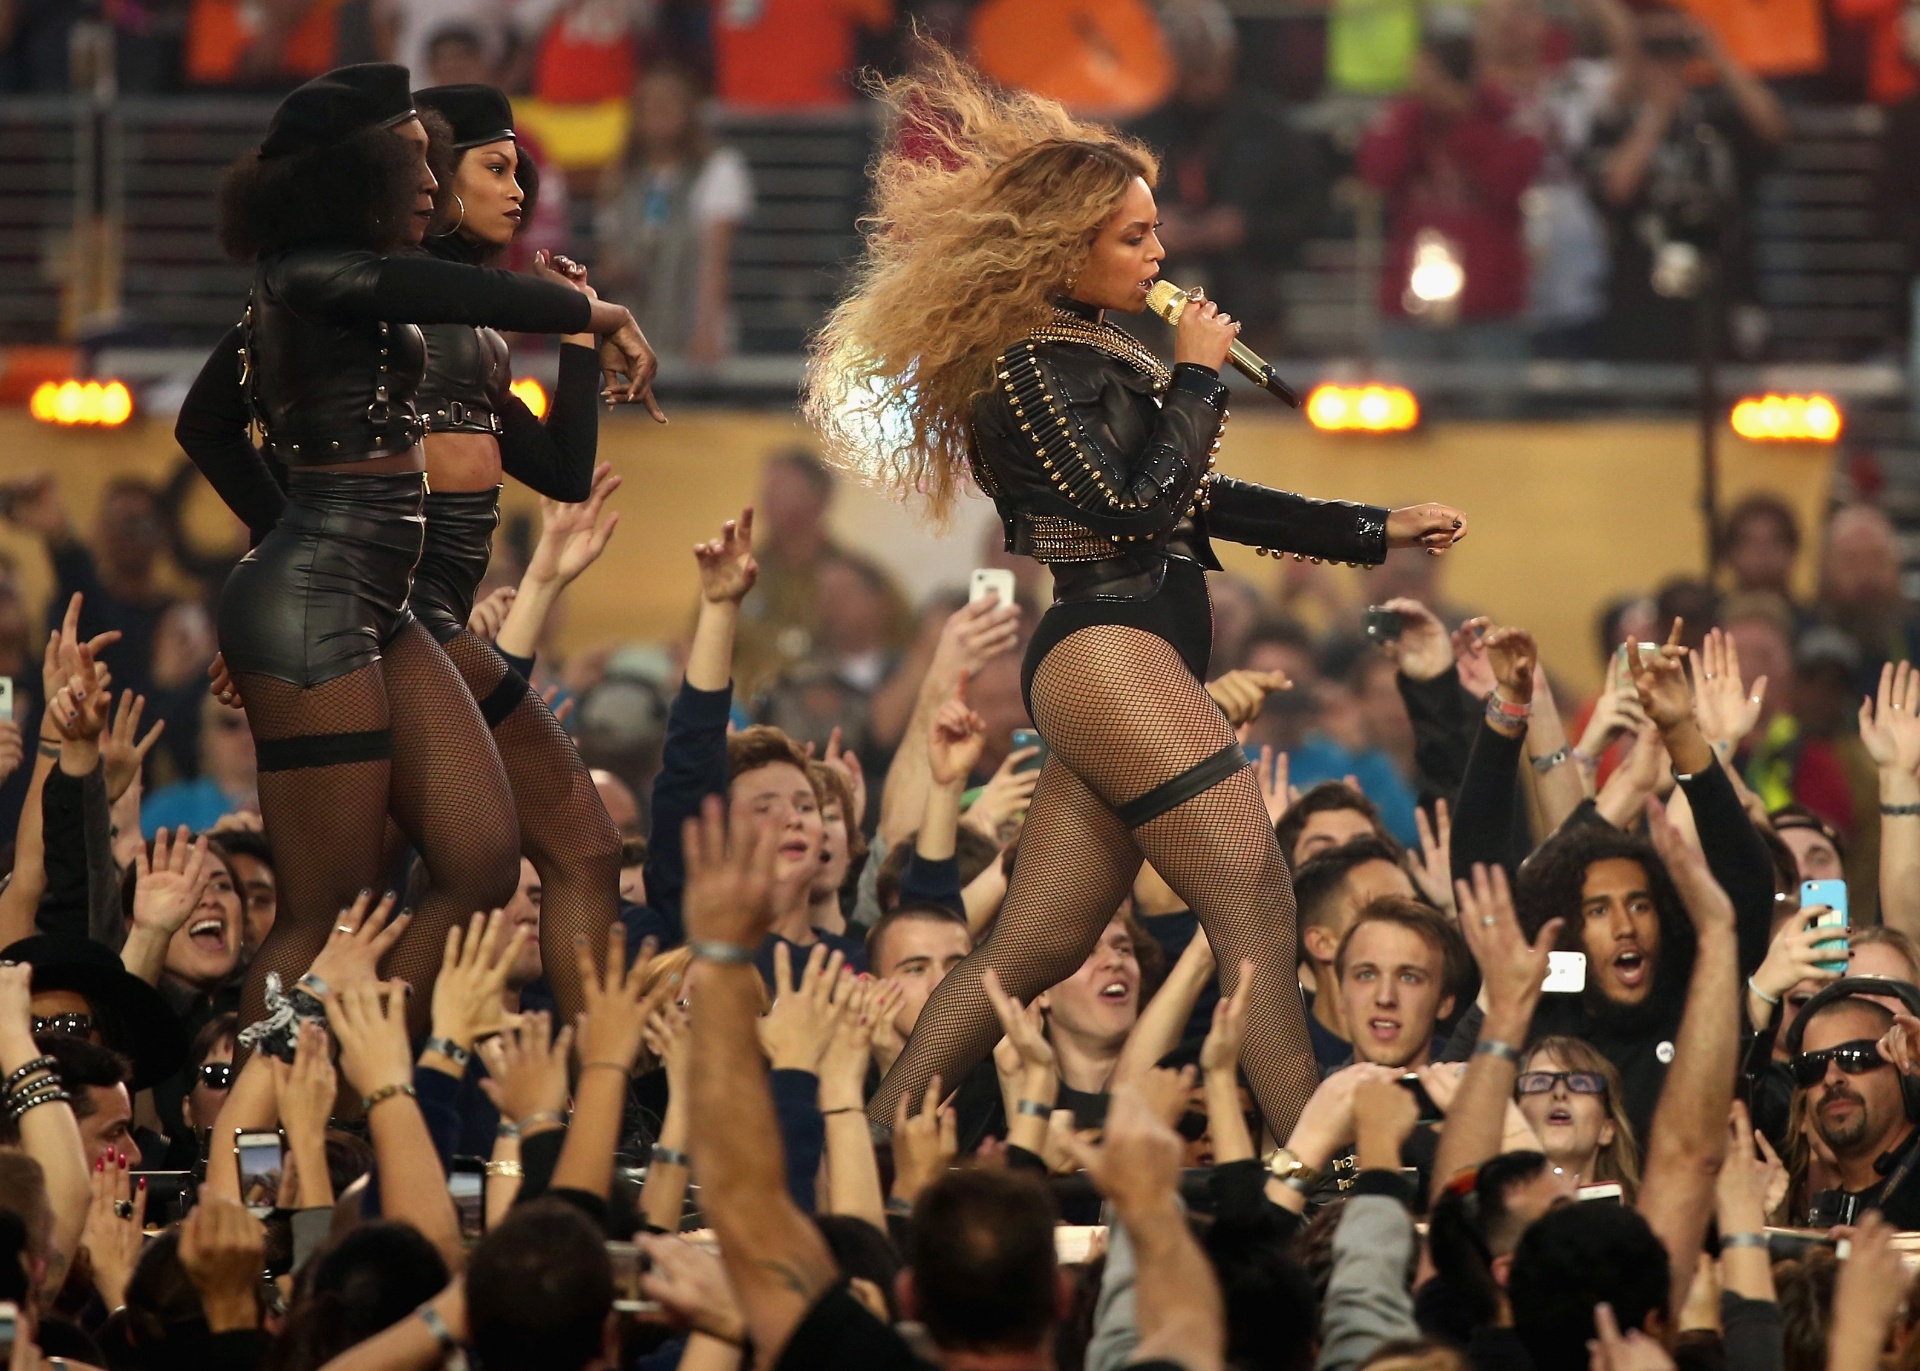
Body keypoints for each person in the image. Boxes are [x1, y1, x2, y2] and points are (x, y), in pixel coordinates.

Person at [805, 48, 1466, 1138]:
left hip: (1133, 653)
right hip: (1105, 644)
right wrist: (1200, 373)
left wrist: (1371, 526)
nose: (1162, 253)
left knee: (1034, 947)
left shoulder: (1097, 345)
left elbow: (1203, 495)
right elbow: (1131, 512)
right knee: (1255, 896)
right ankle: (1324, 1171)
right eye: (1136, 236)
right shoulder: (1025, 366)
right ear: (1067, 246)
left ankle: (869, 1145)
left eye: (1154, 230)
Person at [172, 63, 654, 1041]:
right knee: (332, 913)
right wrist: (287, 554)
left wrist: (575, 323)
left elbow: (555, 464)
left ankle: (367, 1080)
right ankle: (243, 1123)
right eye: (420, 157)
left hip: (377, 606)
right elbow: (208, 422)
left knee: (479, 865)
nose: (432, 174)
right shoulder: (313, 274)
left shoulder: (407, 298)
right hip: (337, 607)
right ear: (360, 173)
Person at [402, 81, 630, 1026]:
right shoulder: (385, 302)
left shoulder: (482, 340)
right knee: (564, 850)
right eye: (495, 168)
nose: (519, 191)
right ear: (429, 178)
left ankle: (594, 1096)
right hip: (397, 622)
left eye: (521, 172)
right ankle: (327, 1095)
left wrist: (579, 329)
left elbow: (564, 474)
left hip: (437, 631)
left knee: (563, 855)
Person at [1585, 4, 1785, 362]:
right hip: (1644, 300)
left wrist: (1716, 54)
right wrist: (1657, 109)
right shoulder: (1615, 121)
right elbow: (1616, 188)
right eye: (1653, 45)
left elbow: (1772, 129)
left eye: (1673, 44)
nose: (1666, 56)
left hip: (1722, 291)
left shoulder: (1715, 116)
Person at [1123, 0, 1323, 347]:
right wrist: (1148, 229)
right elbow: (1102, 220)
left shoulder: (1271, 133)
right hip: (1146, 313)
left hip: (1249, 313)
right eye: (1189, 66)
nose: (1200, 78)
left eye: (1207, 64)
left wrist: (1246, 228)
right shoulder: (1138, 134)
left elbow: (1310, 216)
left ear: (1230, 57)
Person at [1356, 22, 1543, 367]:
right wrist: (1414, 115)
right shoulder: (1407, 118)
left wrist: (1462, 116)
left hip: (1490, 305)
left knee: (1493, 418)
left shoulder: (1506, 117)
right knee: (1401, 410)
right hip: (1409, 304)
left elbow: (1509, 180)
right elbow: (1377, 171)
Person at [595, 65, 754, 365]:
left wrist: (706, 330)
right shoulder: (619, 177)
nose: (659, 113)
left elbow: (715, 259)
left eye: (668, 103)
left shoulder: (717, 169)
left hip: (691, 321)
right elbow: (609, 255)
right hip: (635, 323)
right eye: (651, 105)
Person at [1785, 981, 1920, 1227]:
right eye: (1812, 1066)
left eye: (1854, 1056)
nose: (1831, 1078)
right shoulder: (1825, 1215)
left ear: (1903, 1071)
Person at [1295, 838, 1422, 1070]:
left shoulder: (1445, 1057)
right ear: (1323, 943)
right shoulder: (1284, 1067)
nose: (1411, 927)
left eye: (1414, 910)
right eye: (1383, 910)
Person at [1335, 896, 1465, 1070]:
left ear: (1444, 1002)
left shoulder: (1471, 1096)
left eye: (1409, 978)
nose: (1385, 998)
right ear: (1341, 994)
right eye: (1366, 975)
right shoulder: (1305, 1095)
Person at [1513, 1035, 1640, 1192]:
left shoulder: (1643, 1215)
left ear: (1607, 1128)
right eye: (1540, 1082)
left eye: (1580, 1083)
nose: (1559, 1092)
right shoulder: (1482, 1213)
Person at [141, 694, 257, 837]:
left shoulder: (291, 807)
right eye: (230, 723)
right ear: (205, 736)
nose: (247, 735)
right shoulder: (168, 809)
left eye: (258, 723)